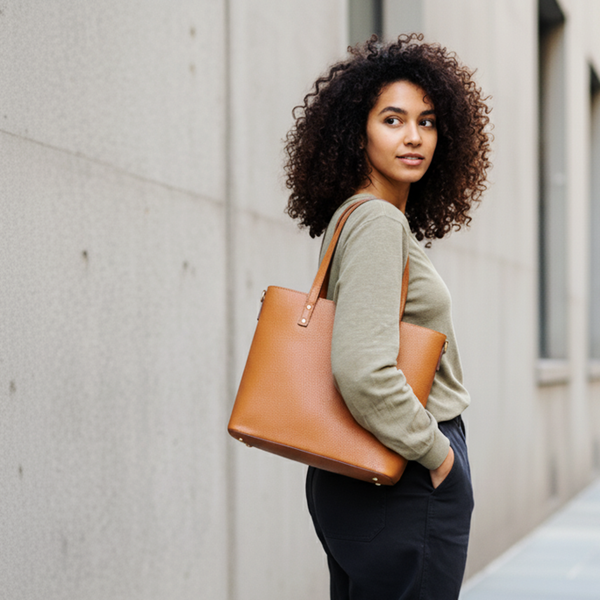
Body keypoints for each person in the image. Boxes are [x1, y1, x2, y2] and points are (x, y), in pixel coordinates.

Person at [283, 34, 492, 600]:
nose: (414, 137)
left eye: (426, 122)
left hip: (358, 475)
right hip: (400, 474)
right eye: (393, 120)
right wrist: (439, 457)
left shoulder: (350, 215)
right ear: (359, 131)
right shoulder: (377, 223)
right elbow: (363, 370)